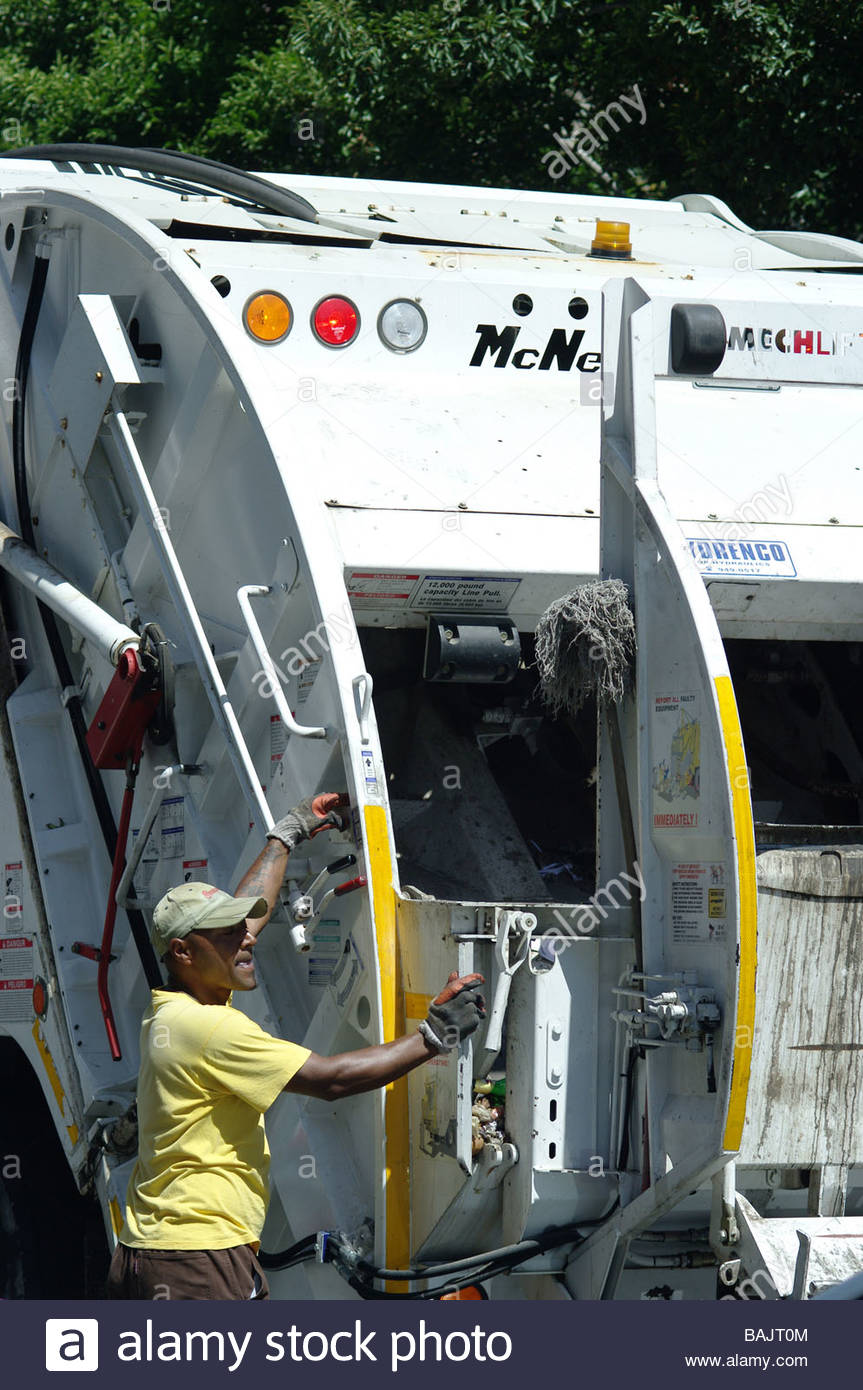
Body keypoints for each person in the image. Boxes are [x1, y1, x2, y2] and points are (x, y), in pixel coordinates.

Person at [106, 791, 485, 1300]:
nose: (247, 938)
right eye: (227, 934)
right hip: (197, 1261)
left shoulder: (171, 1008)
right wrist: (433, 1036)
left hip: (148, 1250)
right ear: (183, 952)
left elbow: (246, 921)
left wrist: (287, 833)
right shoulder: (210, 1029)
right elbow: (331, 1080)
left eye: (243, 925)